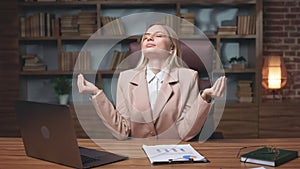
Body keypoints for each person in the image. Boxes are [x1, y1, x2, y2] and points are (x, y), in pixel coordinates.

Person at [77, 23, 226, 141]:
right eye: (145, 37)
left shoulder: (189, 77)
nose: (149, 38)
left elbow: (185, 133)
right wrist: (96, 94)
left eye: (158, 35)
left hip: (174, 154)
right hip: (137, 156)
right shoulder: (125, 78)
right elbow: (122, 132)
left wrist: (204, 97)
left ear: (172, 47)